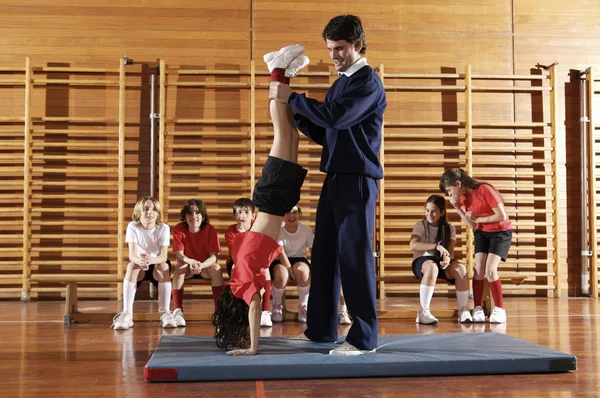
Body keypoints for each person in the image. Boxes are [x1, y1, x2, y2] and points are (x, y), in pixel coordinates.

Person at [270, 14, 386, 355]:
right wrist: (298, 114)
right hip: (335, 177)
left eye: (340, 49)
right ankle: (320, 330)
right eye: (330, 49)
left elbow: (336, 117)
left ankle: (364, 338)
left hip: (358, 181)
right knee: (323, 255)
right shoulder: (341, 83)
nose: (334, 56)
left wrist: (293, 98)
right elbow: (327, 131)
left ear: (358, 45)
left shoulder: (367, 81)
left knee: (354, 257)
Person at [212, 44, 310, 355]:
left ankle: (276, 69)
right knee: (292, 134)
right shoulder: (242, 279)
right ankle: (286, 81)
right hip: (278, 203)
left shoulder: (241, 283)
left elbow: (254, 307)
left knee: (282, 133)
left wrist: (253, 348)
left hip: (269, 199)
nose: (250, 303)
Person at [439, 168, 512, 324]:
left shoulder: (484, 189)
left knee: (490, 270)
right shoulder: (465, 198)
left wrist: (479, 219)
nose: (450, 195)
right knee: (478, 270)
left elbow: (501, 215)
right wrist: (458, 208)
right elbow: (472, 225)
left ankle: (499, 309)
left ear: (458, 184)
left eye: (450, 191)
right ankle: (477, 307)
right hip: (481, 233)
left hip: (500, 232)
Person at [112, 196, 175, 330]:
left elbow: (163, 256)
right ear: (139, 211)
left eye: (153, 209)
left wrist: (151, 260)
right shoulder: (133, 226)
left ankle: (165, 313)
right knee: (131, 266)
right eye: (146, 209)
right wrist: (141, 261)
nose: (149, 212)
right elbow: (132, 254)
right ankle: (127, 314)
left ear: (157, 213)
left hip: (156, 263)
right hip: (139, 264)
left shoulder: (163, 228)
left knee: (164, 267)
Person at [409, 195, 473, 325]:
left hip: (440, 262)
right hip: (422, 261)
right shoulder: (420, 225)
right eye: (427, 210)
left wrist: (447, 260)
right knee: (432, 267)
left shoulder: (450, 228)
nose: (429, 214)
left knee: (461, 269)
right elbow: (413, 245)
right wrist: (435, 246)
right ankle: (423, 312)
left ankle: (463, 309)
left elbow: (450, 252)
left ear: (442, 212)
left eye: (433, 211)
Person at [170, 199, 224, 327]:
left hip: (205, 268)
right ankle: (178, 310)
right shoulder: (179, 228)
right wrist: (191, 262)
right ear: (185, 216)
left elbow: (214, 257)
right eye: (190, 213)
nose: (193, 216)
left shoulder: (210, 229)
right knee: (179, 265)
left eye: (197, 213)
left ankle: (219, 311)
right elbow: (179, 255)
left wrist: (201, 265)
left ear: (203, 215)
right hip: (187, 267)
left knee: (216, 268)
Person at [223, 198, 274, 327]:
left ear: (253, 215)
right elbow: (236, 255)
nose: (242, 216)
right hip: (237, 262)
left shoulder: (258, 228)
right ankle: (237, 311)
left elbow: (261, 250)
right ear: (234, 215)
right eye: (239, 212)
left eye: (246, 212)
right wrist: (242, 235)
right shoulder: (231, 231)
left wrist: (247, 234)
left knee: (266, 269)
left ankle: (265, 311)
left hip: (256, 261)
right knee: (235, 269)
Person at [269, 205, 313, 323]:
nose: (291, 216)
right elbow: (280, 251)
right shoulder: (279, 230)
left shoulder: (306, 230)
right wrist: (289, 270)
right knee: (281, 274)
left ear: (299, 213)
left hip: (299, 259)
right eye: (287, 212)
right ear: (283, 216)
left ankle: (304, 306)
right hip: (281, 260)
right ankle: (277, 306)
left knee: (303, 271)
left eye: (294, 212)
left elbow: (313, 250)